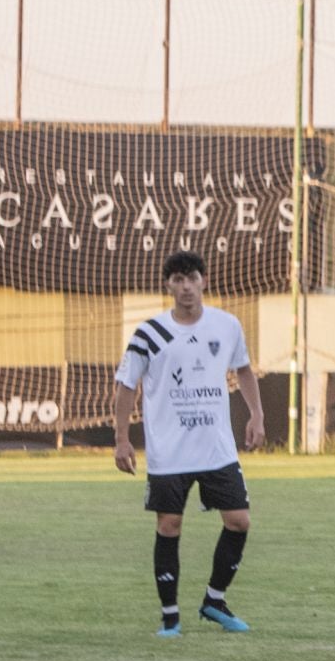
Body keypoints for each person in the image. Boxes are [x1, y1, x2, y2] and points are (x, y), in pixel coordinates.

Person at [112, 250, 265, 637]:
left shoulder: (226, 325)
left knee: (239, 520)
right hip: (169, 450)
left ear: (204, 281)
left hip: (216, 447)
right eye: (177, 280)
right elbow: (126, 385)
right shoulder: (150, 333)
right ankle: (170, 617)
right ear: (168, 285)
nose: (185, 286)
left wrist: (257, 415)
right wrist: (121, 440)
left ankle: (214, 601)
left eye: (191, 278)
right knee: (169, 525)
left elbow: (244, 369)